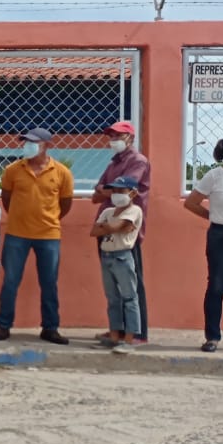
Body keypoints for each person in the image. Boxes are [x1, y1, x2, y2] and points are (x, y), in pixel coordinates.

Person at [0, 128, 74, 344]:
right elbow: (7, 199)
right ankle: (3, 325)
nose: (27, 146)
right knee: (10, 281)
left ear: (47, 145)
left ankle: (50, 327)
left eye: (33, 143)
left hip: (49, 235)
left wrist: (49, 218)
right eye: (25, 142)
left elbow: (65, 204)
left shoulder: (61, 172)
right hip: (17, 234)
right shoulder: (12, 170)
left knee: (49, 283)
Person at [92, 121, 150, 342]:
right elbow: (99, 191)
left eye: (118, 135)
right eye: (111, 135)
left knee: (132, 284)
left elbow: (123, 188)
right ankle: (117, 330)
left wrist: (106, 190)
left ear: (130, 138)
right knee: (112, 286)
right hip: (106, 227)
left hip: (126, 229)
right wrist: (107, 190)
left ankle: (137, 333)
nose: (113, 139)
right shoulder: (113, 162)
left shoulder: (138, 161)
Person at [91, 176, 144, 354]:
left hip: (122, 256)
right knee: (113, 298)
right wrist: (113, 226)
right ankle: (114, 336)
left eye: (120, 191)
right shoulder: (108, 211)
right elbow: (94, 231)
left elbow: (118, 226)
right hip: (107, 255)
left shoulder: (135, 210)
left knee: (129, 297)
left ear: (133, 193)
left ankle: (130, 338)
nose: (116, 195)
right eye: (114, 191)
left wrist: (110, 226)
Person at [184, 139, 223, 352]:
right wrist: (214, 216)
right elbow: (191, 203)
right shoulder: (214, 176)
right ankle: (212, 337)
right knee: (217, 286)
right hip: (220, 234)